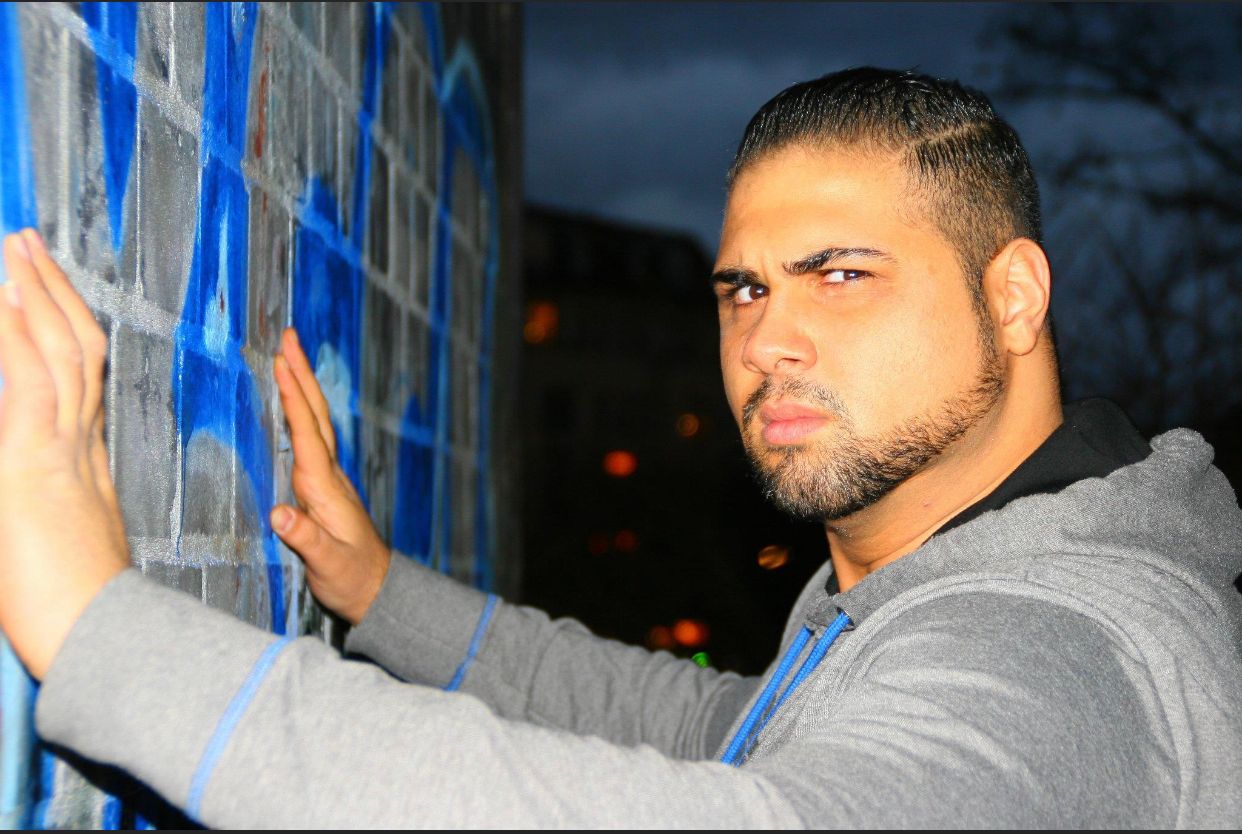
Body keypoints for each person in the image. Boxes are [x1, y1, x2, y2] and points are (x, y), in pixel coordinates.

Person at [1, 67, 1240, 828]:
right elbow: (713, 730)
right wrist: (382, 595)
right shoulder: (917, 597)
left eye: (841, 275)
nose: (767, 341)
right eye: (744, 289)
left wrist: (96, 624)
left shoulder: (1059, 651)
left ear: (1014, 297)